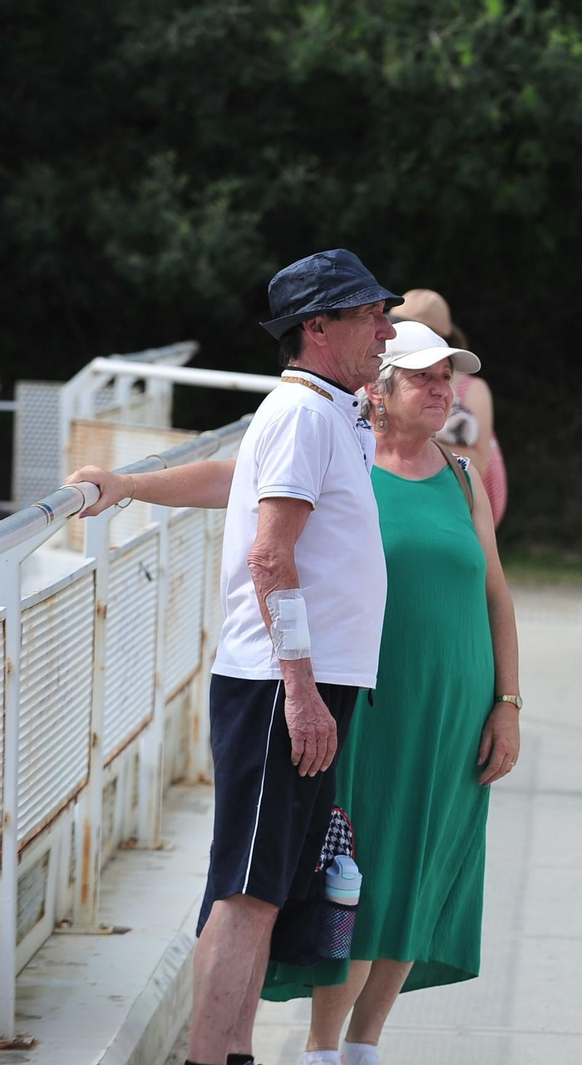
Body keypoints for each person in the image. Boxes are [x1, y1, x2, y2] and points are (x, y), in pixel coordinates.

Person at [66, 249, 400, 1065]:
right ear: (317, 328)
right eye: (369, 315)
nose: (387, 330)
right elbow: (269, 556)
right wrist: (302, 688)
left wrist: (131, 484)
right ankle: (213, 1056)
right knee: (249, 891)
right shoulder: (305, 414)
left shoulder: (322, 409)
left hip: (303, 681)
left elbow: (233, 478)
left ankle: (228, 1050)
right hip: (279, 684)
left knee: (260, 885)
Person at [256, 320, 524, 1065]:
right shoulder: (347, 465)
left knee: (422, 863)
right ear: (380, 389)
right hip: (370, 704)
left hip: (456, 708)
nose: (444, 390)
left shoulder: (463, 474)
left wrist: (509, 703)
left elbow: (496, 594)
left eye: (449, 377)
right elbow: (264, 530)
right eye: (425, 378)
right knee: (353, 868)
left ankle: (365, 1047)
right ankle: (320, 1047)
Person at [390, 288, 509, 526]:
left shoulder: (471, 388)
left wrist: (416, 439)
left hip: (459, 496)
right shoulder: (386, 377)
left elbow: (479, 461)